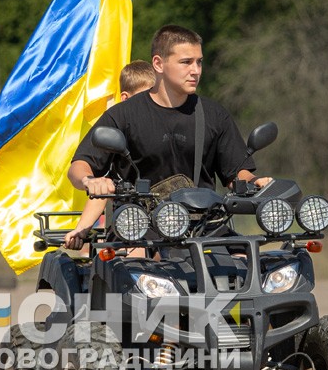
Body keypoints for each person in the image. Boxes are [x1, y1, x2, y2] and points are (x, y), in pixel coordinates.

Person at [68, 24, 269, 203]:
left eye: (199, 62)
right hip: (139, 229)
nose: (196, 70)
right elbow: (79, 165)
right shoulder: (123, 115)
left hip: (202, 227)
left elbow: (236, 173)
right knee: (136, 248)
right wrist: (90, 180)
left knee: (246, 246)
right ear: (158, 64)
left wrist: (253, 181)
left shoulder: (215, 115)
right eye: (186, 62)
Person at [63, 60, 157, 250]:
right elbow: (104, 187)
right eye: (143, 99)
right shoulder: (117, 136)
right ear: (125, 98)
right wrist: (81, 229)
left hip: (174, 221)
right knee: (137, 257)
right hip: (132, 225)